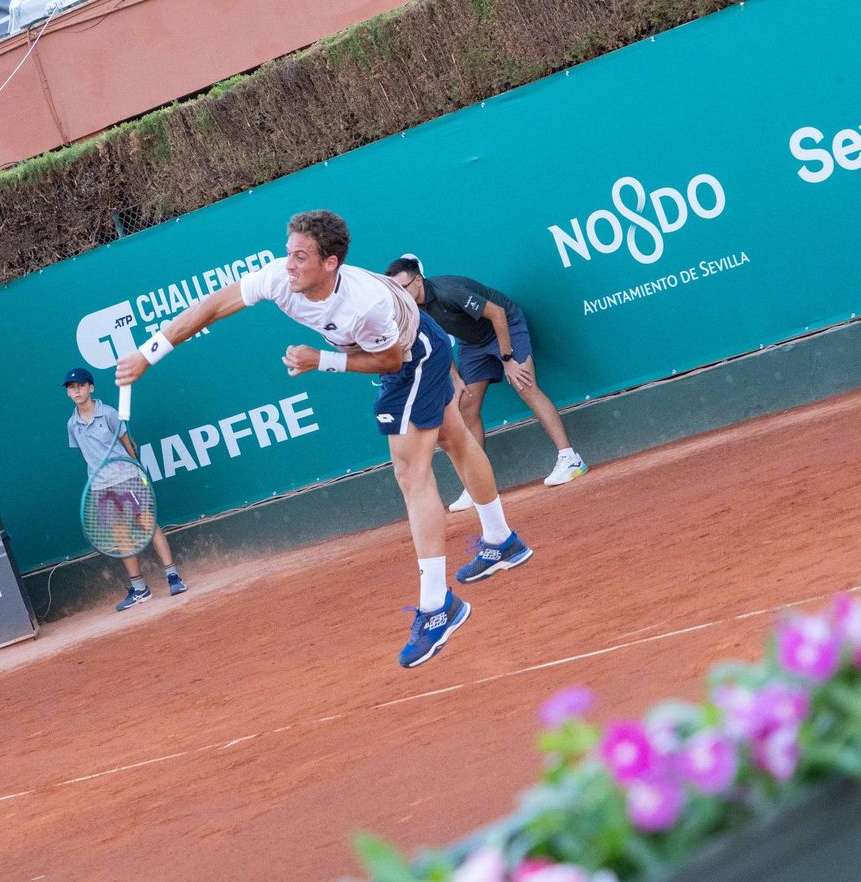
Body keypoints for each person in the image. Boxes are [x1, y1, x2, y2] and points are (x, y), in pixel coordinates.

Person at [116, 211, 533, 668]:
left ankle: (438, 608)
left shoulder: (364, 303)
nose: (289, 264)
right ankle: (501, 540)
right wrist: (147, 353)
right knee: (453, 438)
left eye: (300, 256)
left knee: (410, 471)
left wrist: (323, 361)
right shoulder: (281, 278)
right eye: (288, 252)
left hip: (410, 356)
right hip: (410, 340)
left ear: (330, 262)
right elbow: (215, 305)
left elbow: (391, 362)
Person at [385, 254, 587, 510]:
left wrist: (508, 360)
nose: (399, 294)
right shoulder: (410, 309)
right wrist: (456, 379)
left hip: (506, 326)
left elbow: (498, 314)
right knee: (466, 406)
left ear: (418, 280)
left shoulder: (450, 292)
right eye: (395, 290)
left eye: (402, 288)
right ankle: (475, 485)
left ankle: (570, 459)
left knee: (525, 385)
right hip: (473, 343)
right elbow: (437, 344)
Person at [63, 366, 187, 612]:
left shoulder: (108, 413)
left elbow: (128, 444)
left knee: (148, 524)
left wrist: (138, 470)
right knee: (121, 536)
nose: (76, 391)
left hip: (126, 476)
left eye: (80, 386)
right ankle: (140, 589)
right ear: (68, 393)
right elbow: (88, 455)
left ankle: (173, 576)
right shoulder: (72, 425)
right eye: (71, 388)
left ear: (91, 388)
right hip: (100, 485)